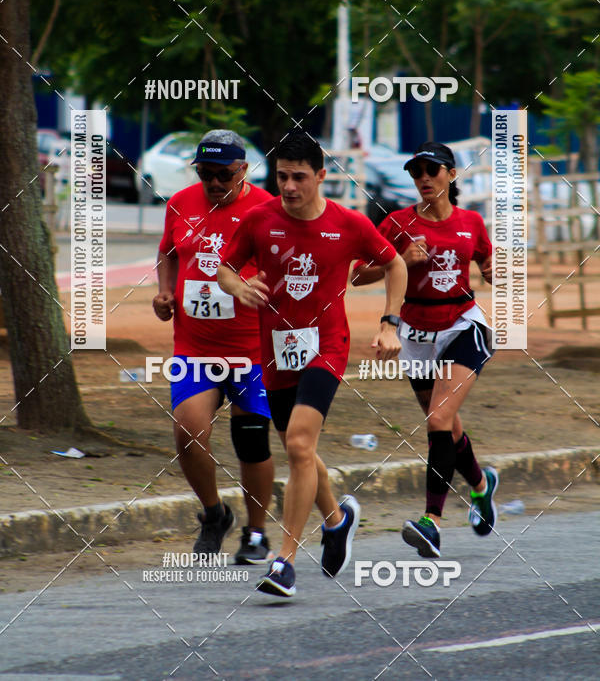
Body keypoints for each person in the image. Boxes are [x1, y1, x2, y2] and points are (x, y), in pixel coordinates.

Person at [217, 131, 407, 597]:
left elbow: (396, 264)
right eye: (281, 176)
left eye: (299, 177)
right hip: (278, 351)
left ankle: (283, 561)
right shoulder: (260, 220)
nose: (288, 186)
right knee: (300, 450)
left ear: (321, 176)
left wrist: (390, 324)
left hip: (327, 345)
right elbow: (223, 267)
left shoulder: (349, 223)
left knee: (299, 443)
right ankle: (337, 519)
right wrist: (237, 287)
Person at [352, 141, 498, 559]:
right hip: (415, 334)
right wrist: (400, 259)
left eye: (432, 170)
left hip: (462, 325)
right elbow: (358, 276)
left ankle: (431, 523)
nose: (424, 179)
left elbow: (489, 264)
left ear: (451, 175)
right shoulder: (396, 223)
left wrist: (492, 271)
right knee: (446, 427)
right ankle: (482, 485)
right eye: (417, 172)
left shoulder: (471, 222)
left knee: (438, 417)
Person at [153, 130, 275, 564]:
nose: (215, 183)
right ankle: (213, 514)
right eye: (206, 174)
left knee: (252, 440)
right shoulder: (181, 203)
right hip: (195, 347)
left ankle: (257, 532)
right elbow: (168, 252)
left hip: (252, 350)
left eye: (224, 174)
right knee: (188, 432)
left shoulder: (266, 209)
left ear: (243, 169)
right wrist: (166, 292)